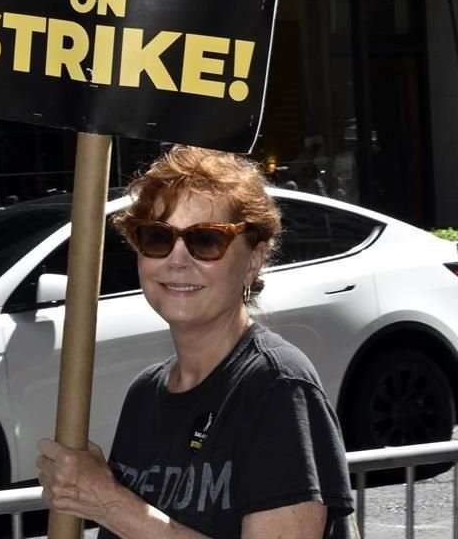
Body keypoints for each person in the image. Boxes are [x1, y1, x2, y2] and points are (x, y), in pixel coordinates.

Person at [36, 145, 354, 539]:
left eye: (205, 240)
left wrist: (109, 503)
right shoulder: (145, 395)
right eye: (156, 237)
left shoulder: (277, 386)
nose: (178, 260)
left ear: (254, 259)